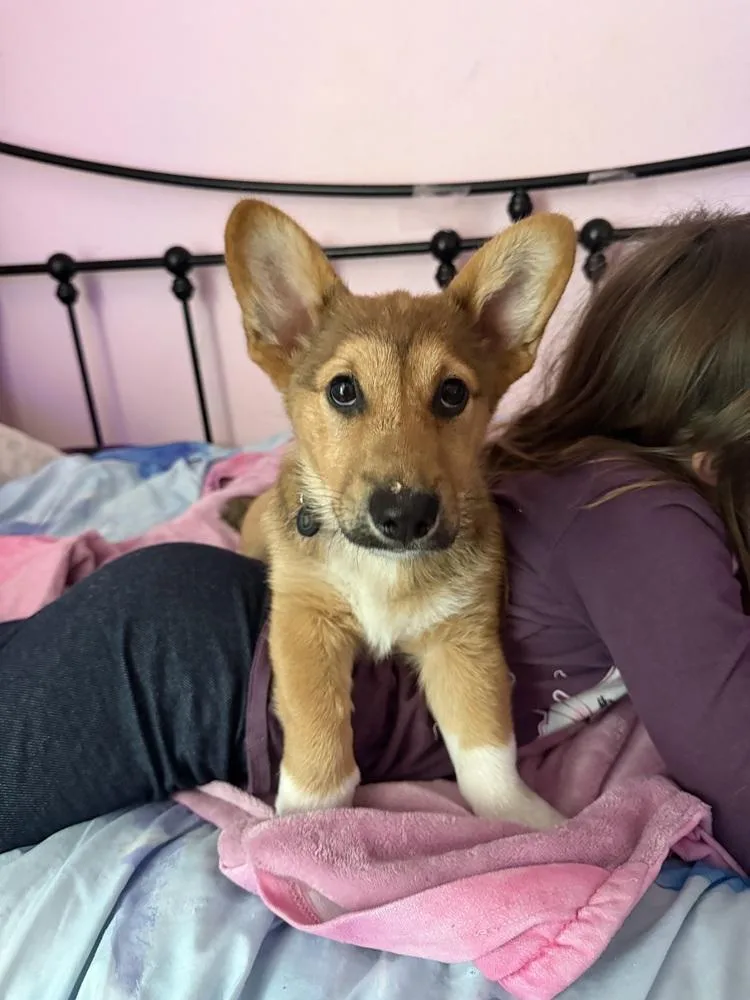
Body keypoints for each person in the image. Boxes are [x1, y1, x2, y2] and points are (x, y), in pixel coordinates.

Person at [2, 211, 749, 870]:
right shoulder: (644, 514)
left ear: (508, 348)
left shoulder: (556, 476)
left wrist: (496, 790)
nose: (402, 476)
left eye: (448, 395)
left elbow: (462, 643)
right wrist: (318, 788)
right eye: (345, 393)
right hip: (191, 666)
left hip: (182, 633)